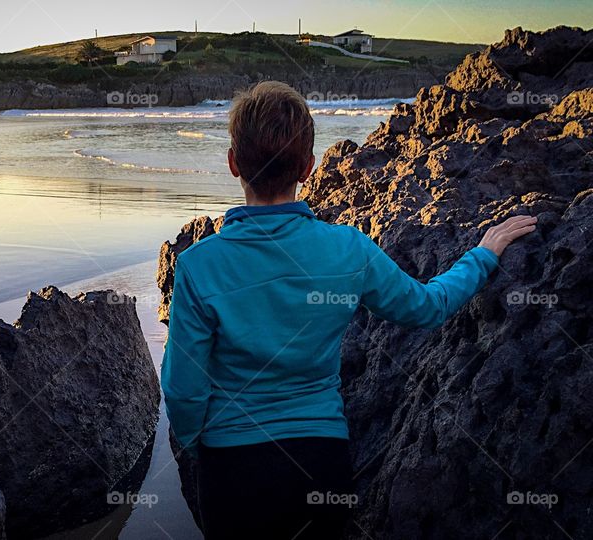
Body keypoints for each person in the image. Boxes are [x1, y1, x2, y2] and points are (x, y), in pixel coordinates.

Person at [160, 81, 537, 539]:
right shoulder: (347, 248)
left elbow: (183, 391)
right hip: (320, 462)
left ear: (234, 162)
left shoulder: (200, 265)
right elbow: (427, 307)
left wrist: (205, 448)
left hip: (232, 466)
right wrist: (484, 252)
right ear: (309, 167)